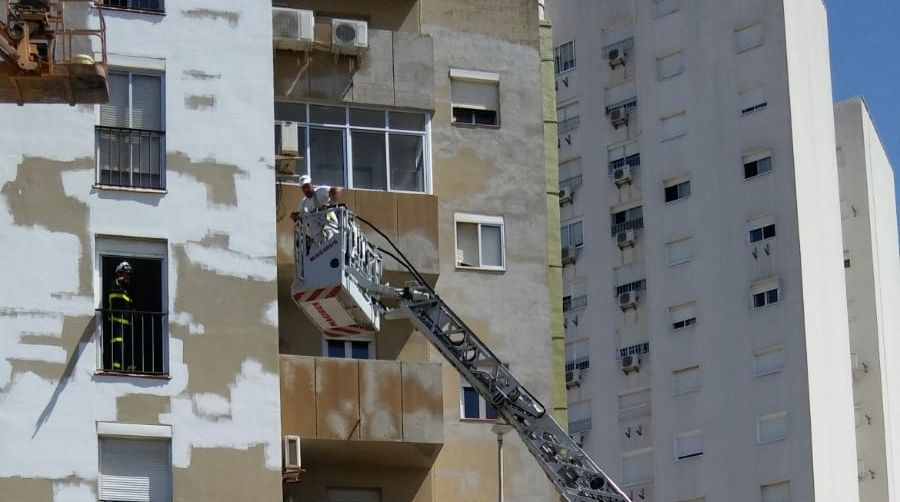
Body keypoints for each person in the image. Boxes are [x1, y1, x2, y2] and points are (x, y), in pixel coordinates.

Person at [291, 174, 340, 245]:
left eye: (307, 186)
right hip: (317, 232)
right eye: (303, 188)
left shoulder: (321, 191)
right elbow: (301, 217)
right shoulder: (303, 203)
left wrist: (330, 203)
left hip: (330, 226)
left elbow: (336, 191)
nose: (306, 190)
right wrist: (295, 216)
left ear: (311, 183)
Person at [107, 261, 135, 372]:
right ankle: (116, 367)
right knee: (118, 345)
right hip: (116, 323)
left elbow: (131, 306)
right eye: (125, 273)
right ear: (119, 273)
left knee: (129, 346)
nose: (127, 276)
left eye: (128, 274)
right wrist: (119, 280)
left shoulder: (128, 291)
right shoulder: (114, 284)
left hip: (127, 324)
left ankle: (130, 367)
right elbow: (114, 288)